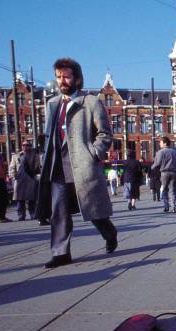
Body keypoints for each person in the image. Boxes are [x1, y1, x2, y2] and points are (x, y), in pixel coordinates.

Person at [35, 58, 118, 268]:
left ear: (77, 78)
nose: (62, 81)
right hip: (57, 165)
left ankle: (109, 232)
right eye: (58, 77)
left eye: (66, 76)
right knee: (58, 211)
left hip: (83, 163)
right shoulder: (52, 103)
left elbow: (105, 133)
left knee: (92, 208)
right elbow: (49, 134)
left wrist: (94, 153)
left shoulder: (90, 102)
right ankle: (61, 252)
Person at [9, 139, 41, 221]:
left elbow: (38, 166)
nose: (25, 147)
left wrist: (37, 176)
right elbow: (12, 167)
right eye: (24, 145)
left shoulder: (35, 155)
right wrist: (14, 176)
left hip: (31, 178)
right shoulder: (16, 156)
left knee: (32, 198)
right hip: (20, 179)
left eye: (28, 145)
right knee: (20, 199)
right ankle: (21, 215)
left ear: (30, 146)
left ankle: (33, 214)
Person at [151, 136, 176, 213]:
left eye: (160, 142)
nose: (159, 144)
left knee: (165, 189)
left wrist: (152, 167)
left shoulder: (160, 152)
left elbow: (157, 163)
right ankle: (173, 207)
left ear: (165, 143)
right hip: (174, 172)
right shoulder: (174, 152)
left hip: (164, 173)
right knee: (172, 190)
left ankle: (166, 206)